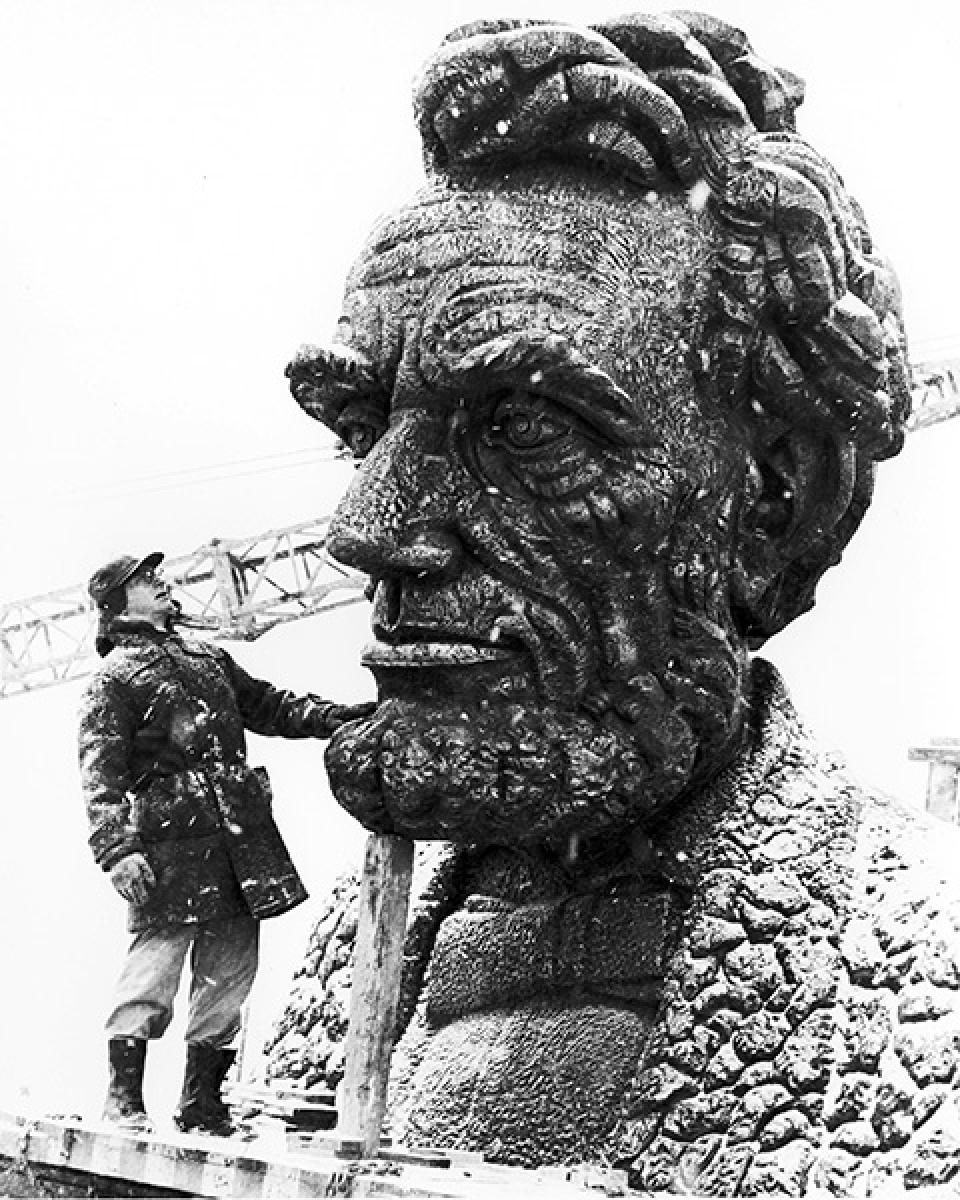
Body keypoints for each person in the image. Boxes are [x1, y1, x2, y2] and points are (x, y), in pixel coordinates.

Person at [267, 12, 960, 1196]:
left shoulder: (922, 983)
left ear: (780, 502)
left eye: (528, 426)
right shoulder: (340, 971)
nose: (367, 532)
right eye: (362, 432)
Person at [78, 549, 374, 1136]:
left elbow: (269, 706)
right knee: (152, 973)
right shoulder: (114, 679)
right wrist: (117, 849)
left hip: (241, 846)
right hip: (168, 844)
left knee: (230, 974)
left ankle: (202, 1104)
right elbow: (99, 771)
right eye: (146, 580)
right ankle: (123, 1100)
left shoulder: (208, 658)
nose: (162, 583)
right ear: (117, 603)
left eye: (158, 576)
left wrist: (335, 717)